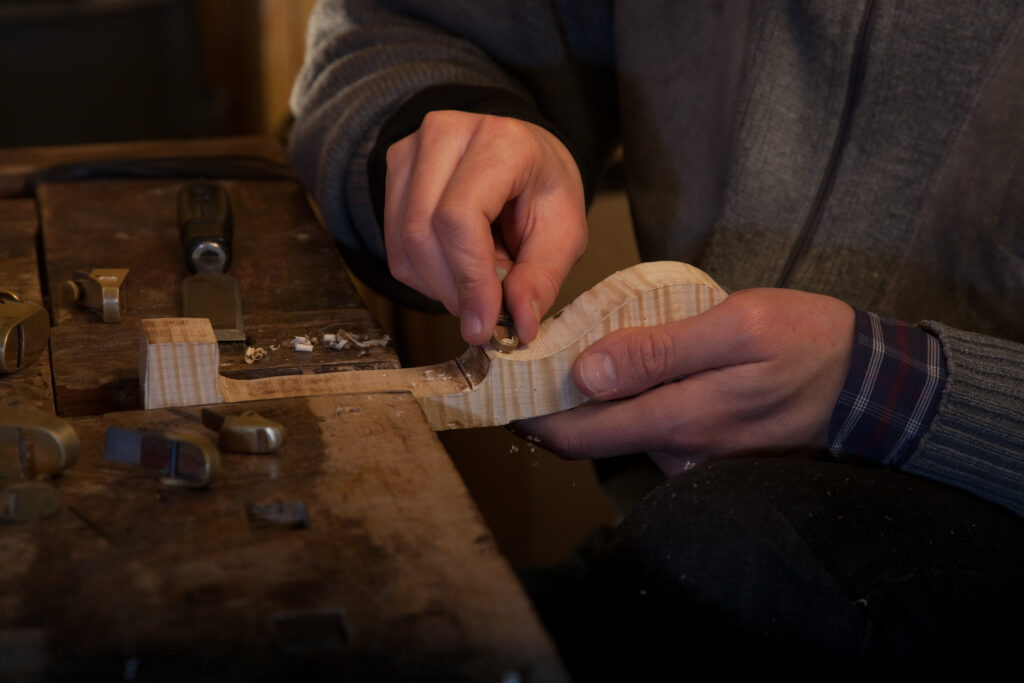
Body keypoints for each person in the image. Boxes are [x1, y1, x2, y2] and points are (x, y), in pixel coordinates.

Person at [288, 0, 1024, 675]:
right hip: (676, 548)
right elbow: (386, 24)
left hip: (926, 555)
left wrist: (896, 388)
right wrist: (451, 129)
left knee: (725, 547)